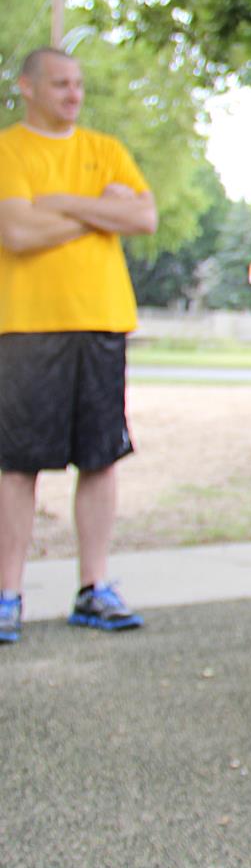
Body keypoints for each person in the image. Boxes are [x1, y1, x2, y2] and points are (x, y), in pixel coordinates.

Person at [0, 48, 157, 644]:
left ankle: (95, 589)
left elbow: (143, 218)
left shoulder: (105, 150)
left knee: (100, 456)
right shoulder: (10, 150)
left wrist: (61, 206)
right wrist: (99, 214)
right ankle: (7, 593)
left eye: (79, 84)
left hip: (100, 321)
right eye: (61, 84)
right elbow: (15, 231)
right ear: (28, 88)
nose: (73, 94)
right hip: (26, 325)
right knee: (18, 464)